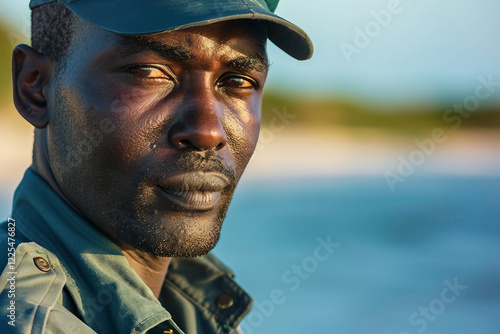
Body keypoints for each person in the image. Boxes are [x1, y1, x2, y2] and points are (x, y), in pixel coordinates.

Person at [0, 0, 313, 332]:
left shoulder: (193, 306)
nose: (208, 131)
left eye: (237, 81)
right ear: (35, 87)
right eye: (149, 72)